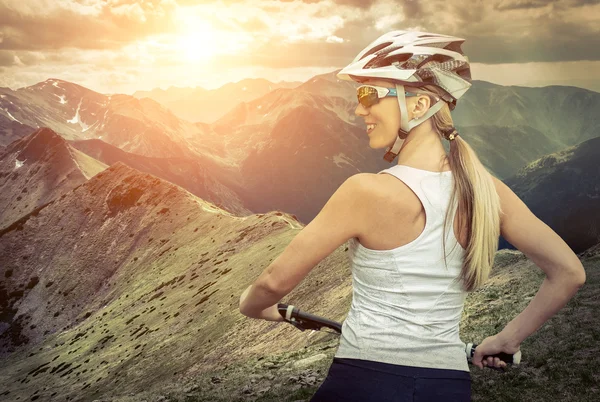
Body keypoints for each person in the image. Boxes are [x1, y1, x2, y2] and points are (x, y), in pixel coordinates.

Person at [239, 30, 586, 401]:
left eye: (368, 95)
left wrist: (254, 306)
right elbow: (569, 273)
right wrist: (505, 340)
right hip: (448, 387)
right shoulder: (489, 191)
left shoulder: (365, 191)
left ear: (419, 106)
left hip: (363, 381)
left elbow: (274, 281)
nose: (359, 109)